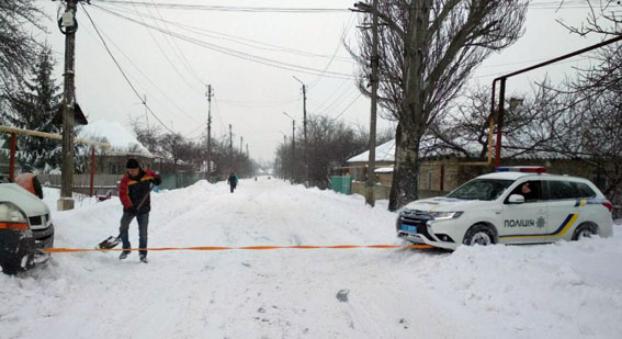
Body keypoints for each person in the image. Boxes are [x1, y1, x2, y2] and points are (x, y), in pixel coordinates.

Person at [118, 159, 161, 263]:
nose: (131, 172)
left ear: (138, 168)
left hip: (144, 209)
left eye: (133, 170)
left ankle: (142, 254)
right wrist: (129, 207)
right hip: (130, 208)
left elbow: (156, 176)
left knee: (143, 233)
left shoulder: (147, 174)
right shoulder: (126, 180)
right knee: (123, 227)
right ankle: (126, 249)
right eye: (129, 170)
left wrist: (157, 179)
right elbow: (123, 194)